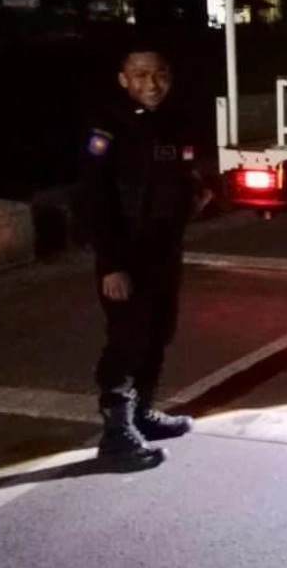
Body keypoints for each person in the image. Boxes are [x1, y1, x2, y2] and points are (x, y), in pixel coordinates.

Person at [84, 41, 211, 467]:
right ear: (124, 80)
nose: (152, 83)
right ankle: (116, 436)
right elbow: (97, 198)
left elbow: (182, 176)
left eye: (159, 74)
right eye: (140, 75)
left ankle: (141, 414)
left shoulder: (173, 122)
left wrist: (197, 195)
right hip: (127, 254)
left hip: (163, 249)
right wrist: (111, 264)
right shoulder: (108, 125)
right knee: (127, 339)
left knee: (158, 333)